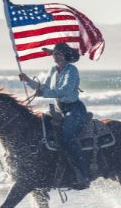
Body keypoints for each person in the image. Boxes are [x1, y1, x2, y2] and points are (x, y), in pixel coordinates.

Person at [18, 42, 90, 189]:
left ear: (65, 56)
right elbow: (44, 87)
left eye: (58, 54)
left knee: (67, 137)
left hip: (75, 110)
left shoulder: (72, 70)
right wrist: (28, 80)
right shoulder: (53, 70)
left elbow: (64, 90)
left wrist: (44, 93)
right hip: (60, 109)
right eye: (54, 54)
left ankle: (83, 175)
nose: (55, 57)